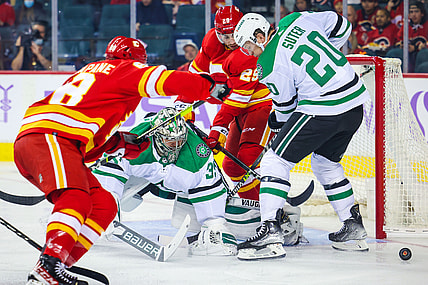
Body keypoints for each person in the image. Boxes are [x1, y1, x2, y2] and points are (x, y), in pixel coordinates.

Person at [14, 35, 217, 284]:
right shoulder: (124, 69)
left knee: (103, 204)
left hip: (49, 140)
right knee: (75, 197)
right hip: (51, 137)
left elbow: (87, 142)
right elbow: (167, 80)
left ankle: (56, 265)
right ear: (134, 59)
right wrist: (207, 85)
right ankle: (50, 265)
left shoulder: (94, 72)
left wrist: (120, 142)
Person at [233, 12, 370, 260]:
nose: (249, 52)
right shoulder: (296, 19)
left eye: (249, 46)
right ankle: (353, 226)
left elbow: (286, 109)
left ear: (260, 36)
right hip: (354, 103)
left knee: (275, 162)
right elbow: (342, 26)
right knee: (325, 163)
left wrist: (277, 126)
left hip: (324, 108)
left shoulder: (268, 62)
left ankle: (270, 232)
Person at [93, 107, 238, 256]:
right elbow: (109, 169)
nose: (176, 146)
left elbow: (209, 187)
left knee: (213, 224)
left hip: (175, 186)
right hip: (144, 178)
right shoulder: (137, 142)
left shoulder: (198, 156)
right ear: (157, 136)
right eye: (171, 142)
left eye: (180, 141)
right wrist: (106, 208)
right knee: (115, 199)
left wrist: (214, 224)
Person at [392, 0, 428, 72]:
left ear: (422, 13)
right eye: (411, 12)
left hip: (421, 55)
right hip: (408, 54)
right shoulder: (405, 25)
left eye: (416, 11)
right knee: (393, 53)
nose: (413, 14)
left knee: (423, 54)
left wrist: (417, 48)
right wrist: (402, 45)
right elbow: (397, 40)